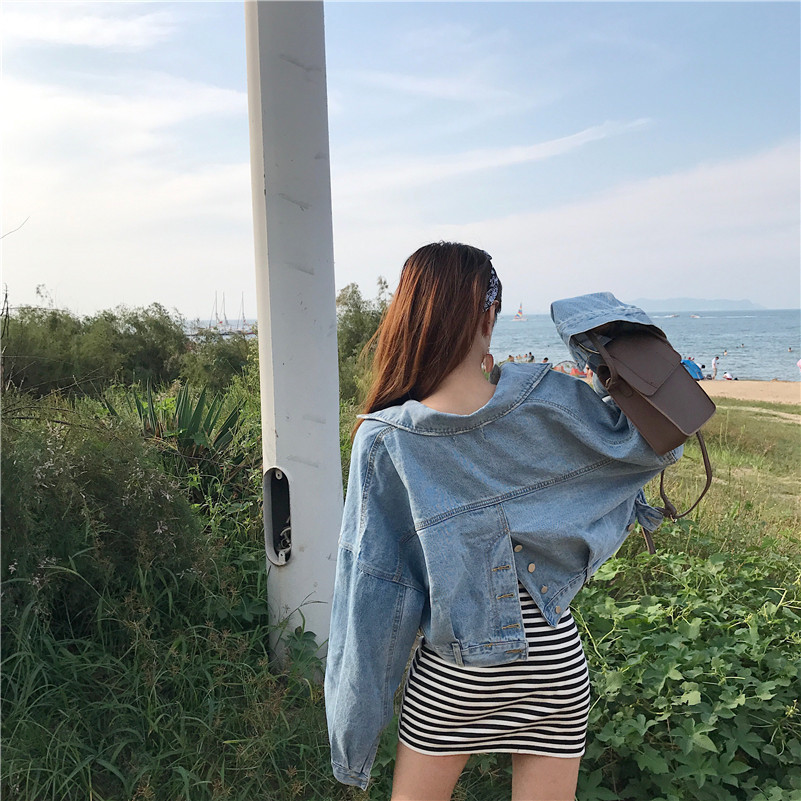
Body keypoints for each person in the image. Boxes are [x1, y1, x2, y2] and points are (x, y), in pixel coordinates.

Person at [324, 242, 681, 800]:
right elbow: (660, 437)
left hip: (455, 675)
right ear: (490, 315)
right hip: (554, 667)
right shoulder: (552, 398)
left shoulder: (387, 438)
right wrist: (590, 328)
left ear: (407, 317)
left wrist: (354, 733)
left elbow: (372, 587)